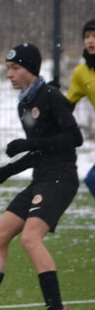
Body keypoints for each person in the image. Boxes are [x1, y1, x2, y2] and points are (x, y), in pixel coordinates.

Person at [0, 43, 83, 310]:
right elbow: (40, 151)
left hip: (60, 178)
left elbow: (74, 138)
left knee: (30, 238)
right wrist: (8, 170)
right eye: (7, 69)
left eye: (15, 69)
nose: (9, 74)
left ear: (31, 70)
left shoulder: (50, 96)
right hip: (42, 178)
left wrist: (28, 144)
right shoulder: (24, 103)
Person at [64, 19, 95, 199]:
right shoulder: (81, 73)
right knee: (92, 180)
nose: (90, 40)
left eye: (94, 36)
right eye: (87, 36)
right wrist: (50, 96)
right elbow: (68, 105)